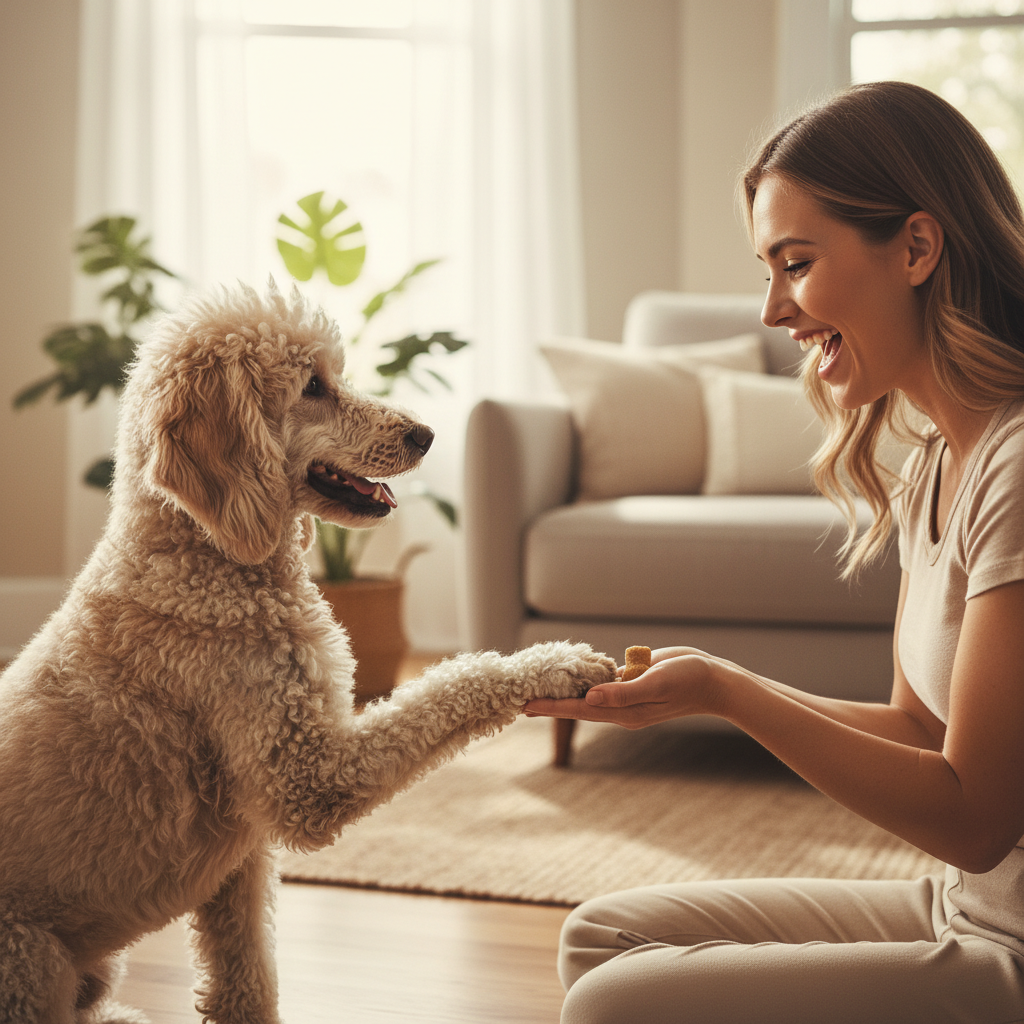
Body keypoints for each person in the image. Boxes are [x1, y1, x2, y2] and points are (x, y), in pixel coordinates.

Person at [523, 80, 1024, 1024]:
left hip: (1015, 947)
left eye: (795, 263)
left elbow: (973, 816)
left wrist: (728, 694)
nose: (772, 312)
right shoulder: (934, 465)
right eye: (768, 269)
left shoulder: (1017, 465)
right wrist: (707, 679)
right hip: (968, 910)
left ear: (917, 247)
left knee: (614, 1006)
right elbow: (923, 734)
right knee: (600, 939)